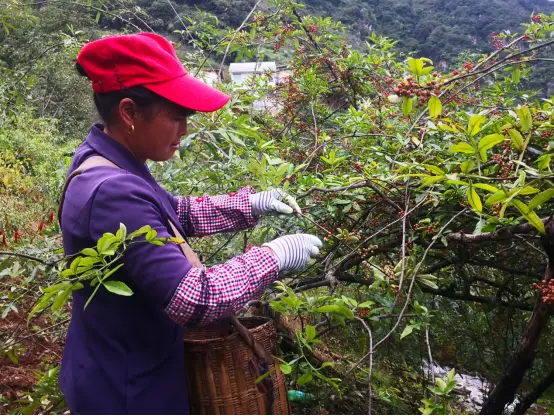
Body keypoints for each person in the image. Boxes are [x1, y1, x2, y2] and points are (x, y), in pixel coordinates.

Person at [59, 32, 322, 416]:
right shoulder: (112, 191)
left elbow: (172, 213)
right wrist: (274, 256)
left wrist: (249, 204)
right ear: (129, 113)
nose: (185, 130)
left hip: (118, 368)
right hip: (128, 391)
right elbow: (194, 298)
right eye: (177, 116)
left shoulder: (110, 160)